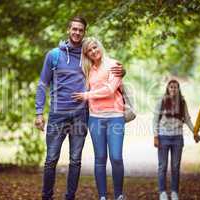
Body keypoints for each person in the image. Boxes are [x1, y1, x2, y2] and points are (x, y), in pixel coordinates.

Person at [35, 17, 124, 200]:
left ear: (84, 32)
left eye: (80, 30)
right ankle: (47, 196)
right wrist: (38, 112)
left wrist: (123, 71)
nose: (77, 32)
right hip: (57, 115)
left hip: (81, 115)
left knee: (75, 161)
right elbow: (42, 84)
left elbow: (105, 67)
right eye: (74, 29)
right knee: (51, 159)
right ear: (68, 30)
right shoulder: (54, 55)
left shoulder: (87, 55)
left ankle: (70, 197)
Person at [72, 37, 125, 200]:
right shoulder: (87, 70)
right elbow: (81, 88)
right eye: (89, 50)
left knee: (116, 157)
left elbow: (110, 90)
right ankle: (102, 196)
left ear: (99, 46)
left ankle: (119, 195)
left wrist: (87, 95)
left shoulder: (114, 65)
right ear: (86, 54)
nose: (93, 52)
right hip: (95, 118)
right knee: (100, 158)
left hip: (115, 116)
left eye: (95, 48)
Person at [153, 79, 194, 200]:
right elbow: (155, 120)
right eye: (171, 87)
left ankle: (175, 192)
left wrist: (195, 132)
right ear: (167, 88)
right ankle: (162, 192)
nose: (173, 89)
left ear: (178, 89)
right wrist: (156, 136)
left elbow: (187, 119)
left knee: (176, 166)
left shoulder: (182, 102)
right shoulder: (161, 101)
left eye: (175, 87)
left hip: (177, 138)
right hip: (163, 137)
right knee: (162, 166)